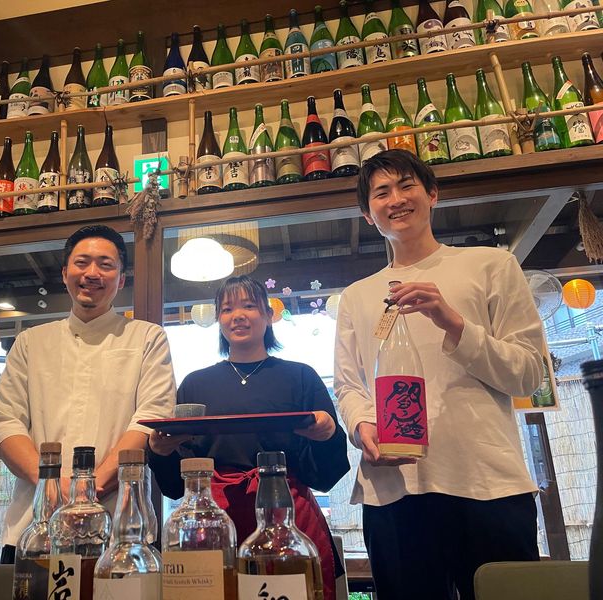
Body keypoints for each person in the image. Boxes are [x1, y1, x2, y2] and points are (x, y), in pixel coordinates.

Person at [334, 150, 543, 600]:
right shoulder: (356, 296)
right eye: (381, 192)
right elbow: (348, 385)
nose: (396, 199)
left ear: (432, 194)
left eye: (407, 185)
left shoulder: (491, 265)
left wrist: (455, 324)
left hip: (489, 483)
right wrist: (361, 425)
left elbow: (529, 374)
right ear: (368, 215)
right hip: (392, 489)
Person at [148, 275, 349, 600]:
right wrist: (159, 451)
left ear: (268, 315)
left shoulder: (301, 376)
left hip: (286, 514)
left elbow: (326, 476)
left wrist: (328, 435)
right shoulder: (195, 383)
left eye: (249, 306)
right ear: (219, 319)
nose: (237, 315)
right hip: (211, 519)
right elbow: (175, 485)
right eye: (227, 309)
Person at [0, 225, 176, 563]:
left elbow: (150, 419)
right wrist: (55, 488)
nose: (92, 273)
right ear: (65, 273)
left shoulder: (147, 337)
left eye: (105, 265)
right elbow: (5, 424)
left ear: (121, 279)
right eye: (82, 262)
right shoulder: (31, 342)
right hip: (33, 530)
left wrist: (87, 492)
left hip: (122, 531)